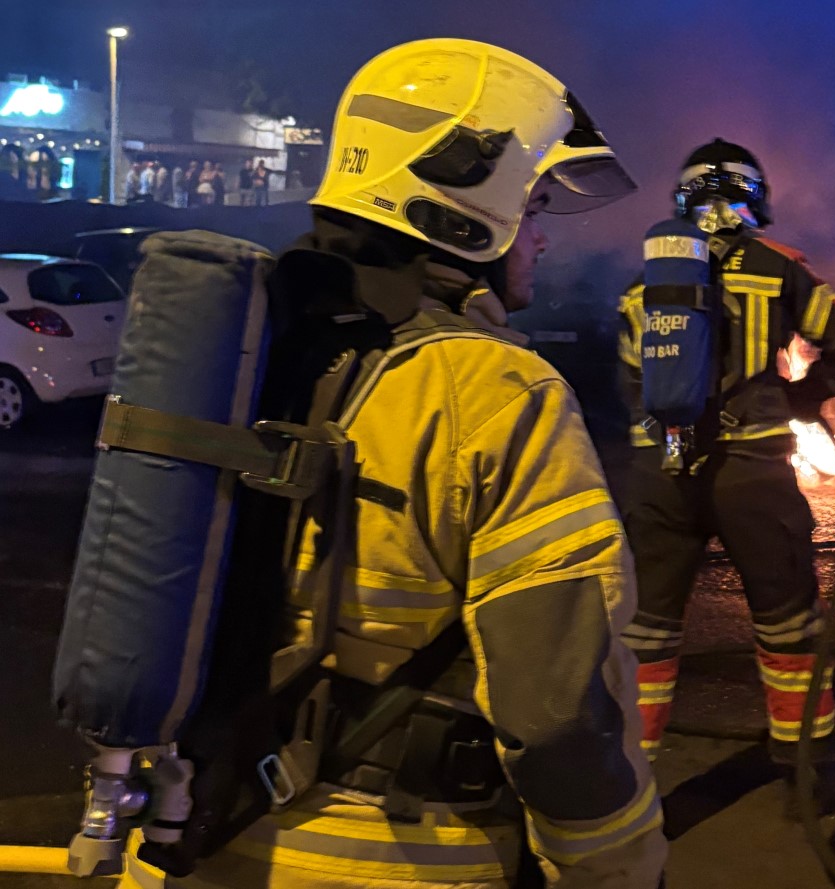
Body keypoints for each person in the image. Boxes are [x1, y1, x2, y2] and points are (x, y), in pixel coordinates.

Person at [119, 38, 665, 889]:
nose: (542, 239)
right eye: (537, 204)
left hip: (181, 844)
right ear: (463, 209)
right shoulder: (495, 388)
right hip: (391, 859)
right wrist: (621, 871)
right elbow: (558, 716)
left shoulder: (235, 351)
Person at [616, 139, 835, 802]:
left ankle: (627, 783)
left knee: (646, 629)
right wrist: (804, 396)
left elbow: (626, 379)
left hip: (660, 477)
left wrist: (661, 445)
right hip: (752, 471)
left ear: (684, 198)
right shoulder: (776, 268)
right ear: (753, 196)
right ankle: (809, 768)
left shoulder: (647, 281)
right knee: (788, 617)